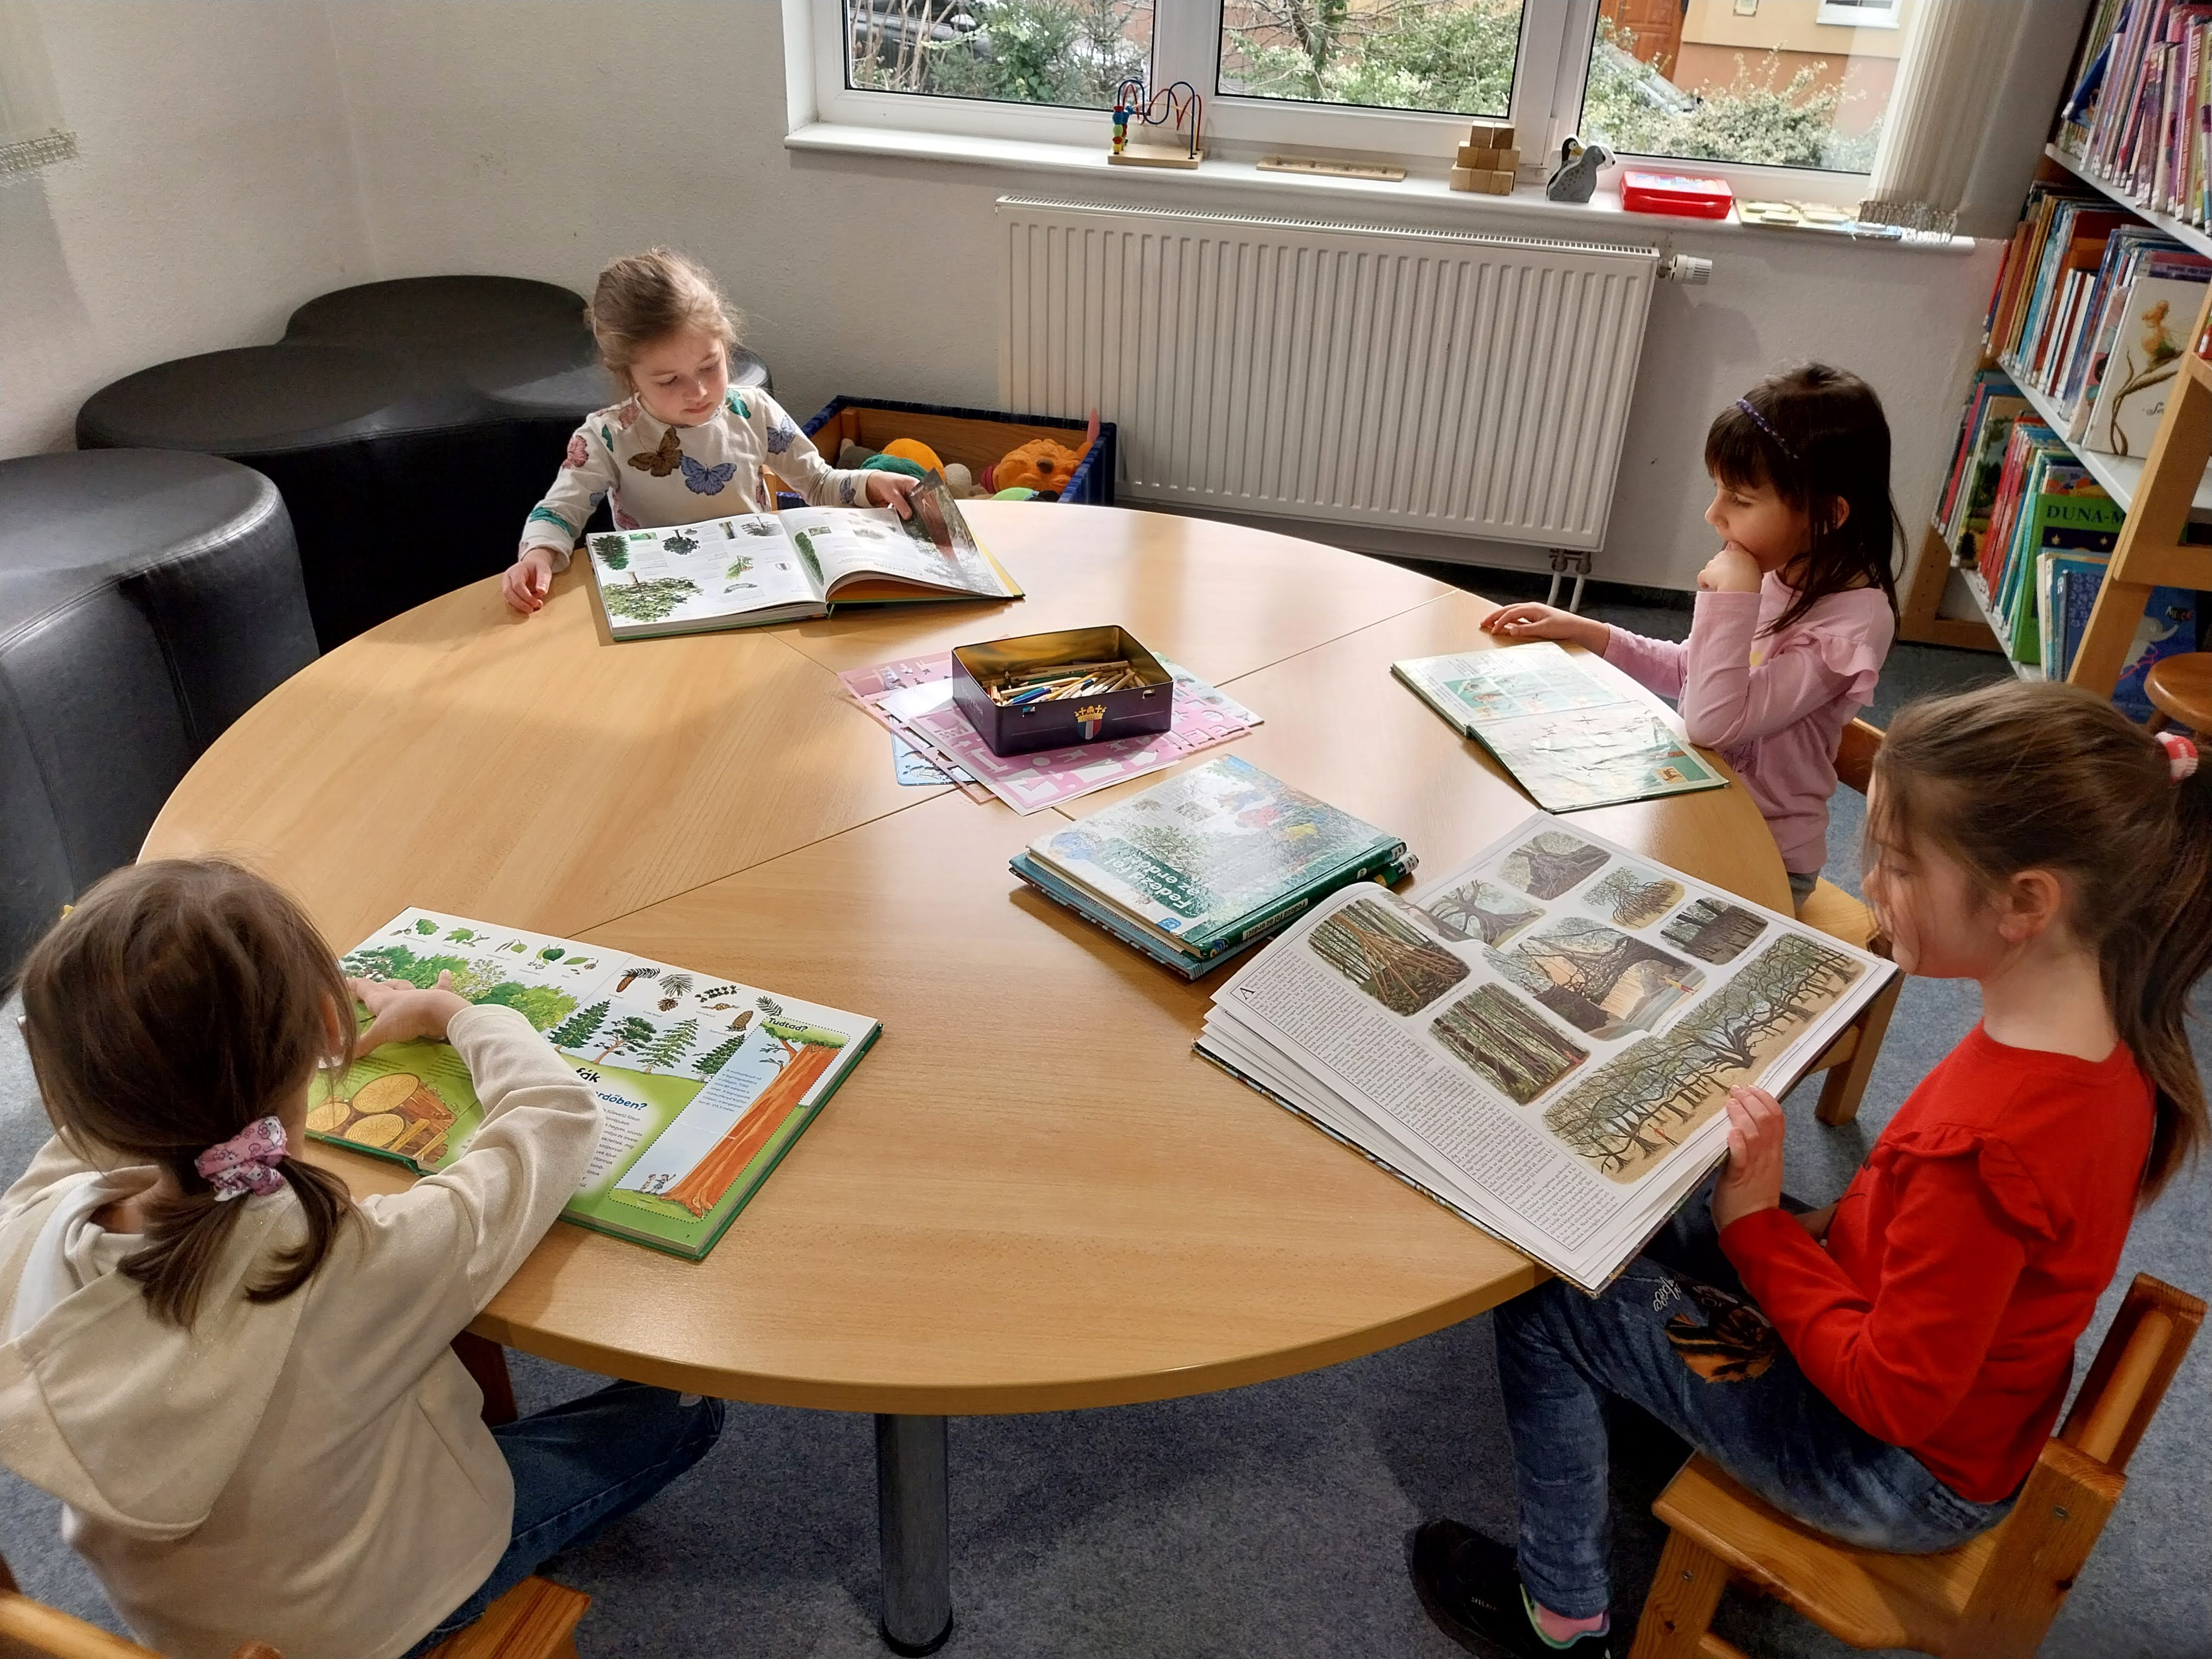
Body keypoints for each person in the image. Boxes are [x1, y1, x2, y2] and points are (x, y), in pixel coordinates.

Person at [1410, 680, 2209, 1659]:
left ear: (2026, 902)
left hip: (1891, 1470)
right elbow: (1916, 1238)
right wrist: (1777, 1227)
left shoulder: (1984, 1151)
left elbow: (1892, 1395)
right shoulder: (2103, 1036)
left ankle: (1562, 1618)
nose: (1867, 881)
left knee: (1549, 1303)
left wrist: (1756, 1230)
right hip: (1938, 1385)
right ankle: (1660, 1388)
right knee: (1638, 1202)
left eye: (1899, 865)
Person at [0, 860, 723, 1659]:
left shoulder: (25, 1224)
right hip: (375, 1622)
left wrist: (176, 1048)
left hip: (185, 1626)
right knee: (685, 1408)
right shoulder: (351, 1263)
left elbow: (97, 1126)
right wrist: (455, 1013)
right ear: (327, 1027)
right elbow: (557, 1115)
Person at [1481, 365, 1901, 914]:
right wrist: (1590, 631)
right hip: (1696, 807)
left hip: (1764, 858)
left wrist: (1734, 599)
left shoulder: (1852, 628)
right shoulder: (1775, 571)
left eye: (1740, 500)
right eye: (1717, 490)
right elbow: (1693, 673)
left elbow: (1712, 722)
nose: (1713, 515)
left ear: (1826, 514)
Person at [504, 246, 915, 615]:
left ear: (725, 345)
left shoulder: (752, 410)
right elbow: (561, 510)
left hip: (761, 588)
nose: (699, 392)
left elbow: (820, 484)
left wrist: (871, 484)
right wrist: (538, 554)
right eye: (669, 381)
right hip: (664, 596)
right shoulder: (606, 437)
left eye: (709, 366)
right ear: (628, 375)